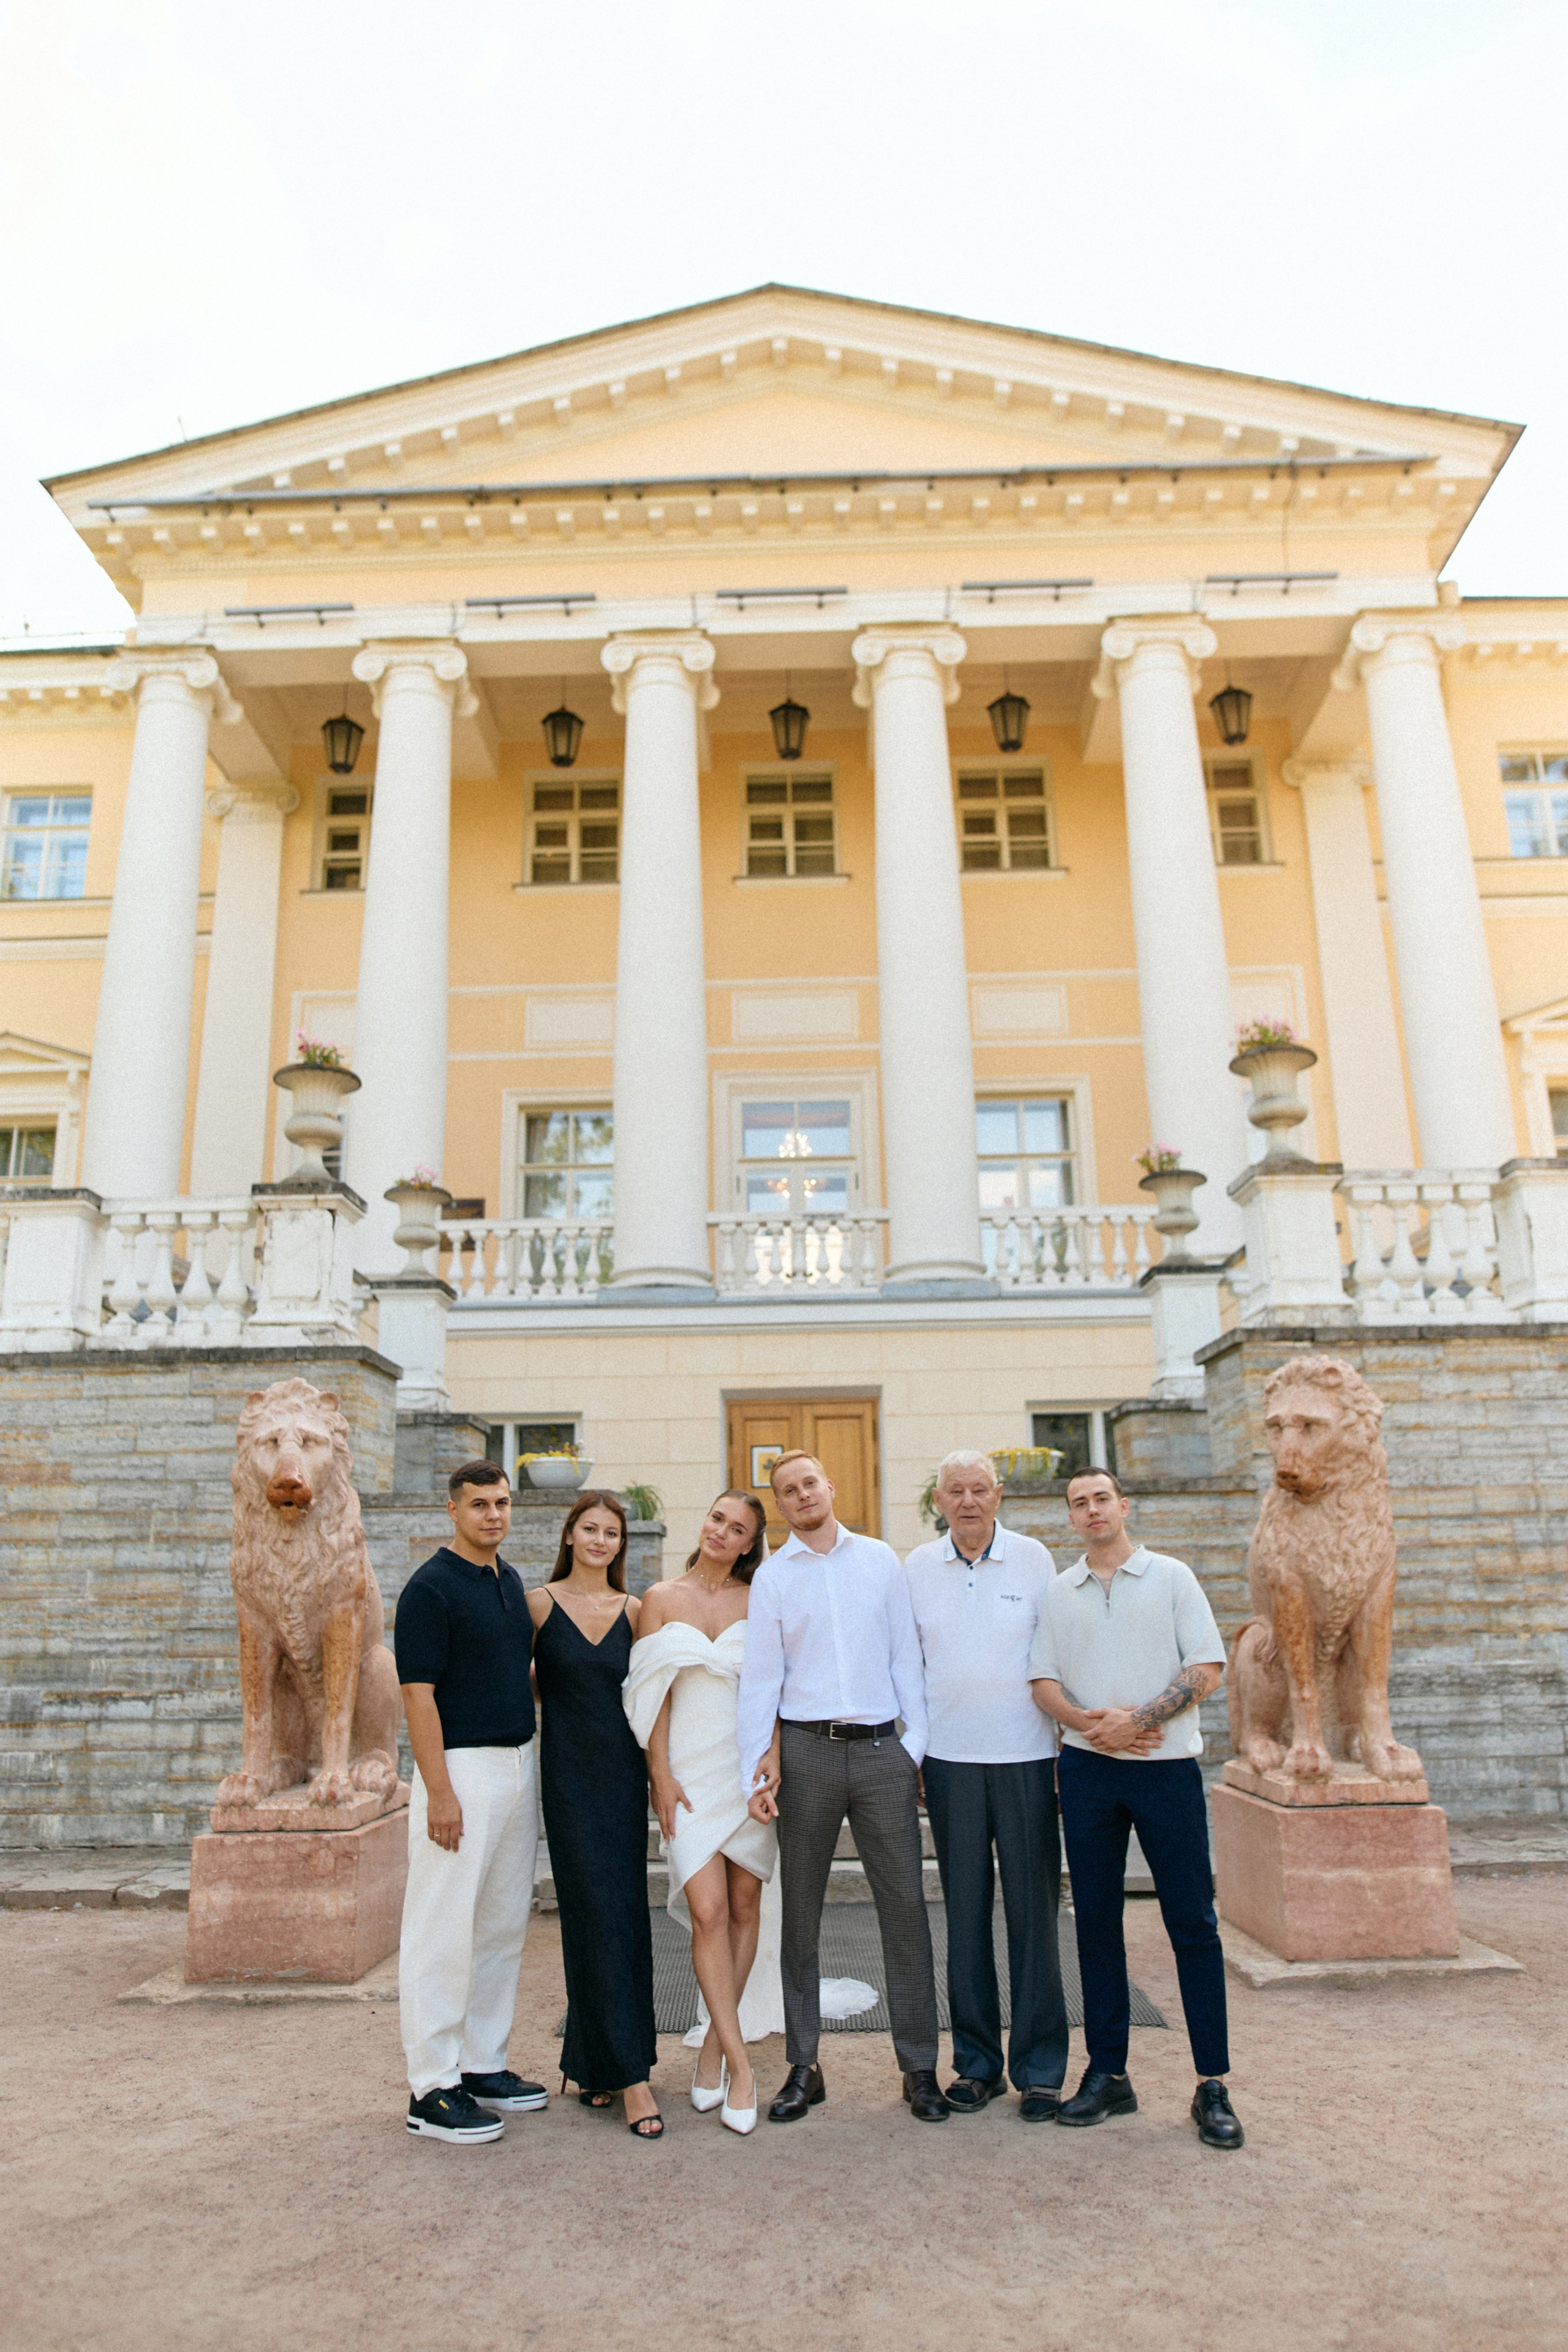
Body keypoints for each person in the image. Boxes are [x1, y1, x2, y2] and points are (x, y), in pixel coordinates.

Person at [1028, 1466, 1243, 2150]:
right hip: (1088, 1770)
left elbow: (1206, 1669)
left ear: (1123, 1506)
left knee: (1191, 1923)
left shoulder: (1173, 1578)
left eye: (1100, 1499)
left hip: (1165, 1769)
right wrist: (1094, 1729)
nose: (1091, 1511)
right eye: (1078, 1503)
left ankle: (1211, 2083)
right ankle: (1109, 2074)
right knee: (1095, 1922)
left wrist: (1138, 1721)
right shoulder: (1059, 1593)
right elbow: (1042, 1682)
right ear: (1070, 1517)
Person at [737, 1452, 948, 2124]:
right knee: (800, 1913)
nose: (802, 1496)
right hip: (807, 1755)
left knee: (905, 1911)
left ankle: (918, 2067)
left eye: (809, 1484)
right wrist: (758, 1766)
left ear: (830, 1487)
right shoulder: (772, 1579)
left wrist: (912, 1745)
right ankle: (804, 2065)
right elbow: (761, 1679)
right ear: (780, 1505)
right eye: (787, 1491)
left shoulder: (880, 1561)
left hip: (883, 1750)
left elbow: (903, 1656)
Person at [905, 1450, 1069, 2120]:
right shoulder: (915, 1568)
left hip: (1028, 1758)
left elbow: (1058, 1653)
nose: (968, 1501)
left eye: (979, 1490)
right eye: (955, 1491)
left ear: (998, 1495)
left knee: (1033, 1915)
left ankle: (1040, 2069)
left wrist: (1065, 1745)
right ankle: (976, 2066)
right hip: (948, 1762)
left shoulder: (1034, 1560)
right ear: (938, 1500)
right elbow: (906, 1665)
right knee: (965, 1916)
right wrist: (914, 1751)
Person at [396, 1460, 548, 2144]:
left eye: (503, 1503)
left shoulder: (509, 1581)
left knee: (500, 1924)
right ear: (452, 1510)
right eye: (480, 1504)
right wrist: (438, 1793)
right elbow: (417, 1693)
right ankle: (431, 2086)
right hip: (461, 1769)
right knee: (441, 1928)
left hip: (520, 1764)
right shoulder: (429, 1589)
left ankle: (483, 2064)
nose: (494, 1515)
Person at [623, 1490, 778, 2138]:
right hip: (688, 1772)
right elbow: (648, 1692)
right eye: (716, 1518)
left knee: (745, 1909)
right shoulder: (659, 1599)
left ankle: (716, 2046)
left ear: (749, 1543)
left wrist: (773, 1757)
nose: (721, 1531)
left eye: (736, 1528)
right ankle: (742, 2069)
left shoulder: (760, 1599)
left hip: (746, 1774)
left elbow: (778, 1688)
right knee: (708, 1912)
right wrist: (659, 1774)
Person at [528, 1490, 661, 2139]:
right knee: (588, 1914)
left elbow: (657, 1699)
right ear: (570, 1535)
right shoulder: (536, 1605)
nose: (601, 1540)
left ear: (620, 1544)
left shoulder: (637, 1612)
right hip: (567, 1781)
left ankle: (606, 2063)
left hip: (622, 1779)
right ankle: (623, 2072)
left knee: (623, 1913)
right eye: (590, 1529)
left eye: (612, 1532)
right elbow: (512, 1687)